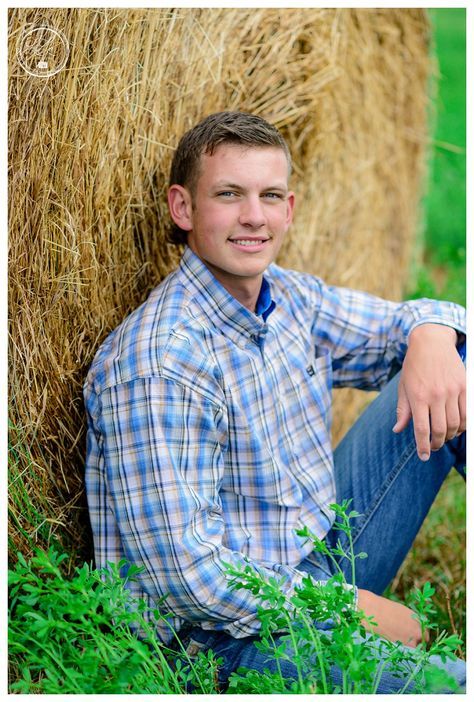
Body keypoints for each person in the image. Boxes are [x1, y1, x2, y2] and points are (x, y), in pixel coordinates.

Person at [84, 111, 466, 692]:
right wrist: (347, 607)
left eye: (269, 195)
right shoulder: (161, 363)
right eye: (229, 195)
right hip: (217, 644)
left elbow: (406, 325)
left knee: (456, 361)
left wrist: (433, 335)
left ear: (290, 208)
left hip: (311, 558)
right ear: (183, 208)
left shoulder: (289, 298)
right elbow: (190, 579)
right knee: (449, 684)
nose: (254, 216)